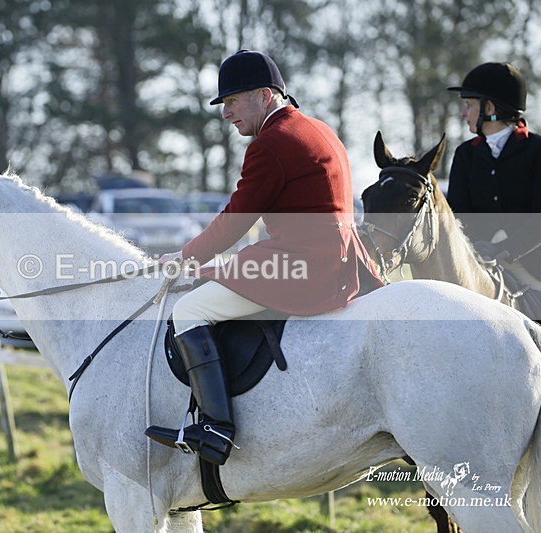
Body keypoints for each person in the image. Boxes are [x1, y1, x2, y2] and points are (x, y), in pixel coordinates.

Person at [145, 50, 382, 466]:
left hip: (302, 265)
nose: (226, 114)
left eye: (233, 101)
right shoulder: (317, 128)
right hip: (344, 260)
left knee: (189, 309)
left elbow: (236, 219)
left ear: (265, 95)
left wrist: (184, 257)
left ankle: (215, 429)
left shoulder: (272, 144)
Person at [446, 62, 541, 316]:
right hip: (477, 263)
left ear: (490, 108)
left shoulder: (540, 149)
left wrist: (505, 248)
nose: (464, 113)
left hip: (535, 264)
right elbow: (458, 214)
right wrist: (476, 246)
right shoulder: (466, 154)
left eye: (469, 105)